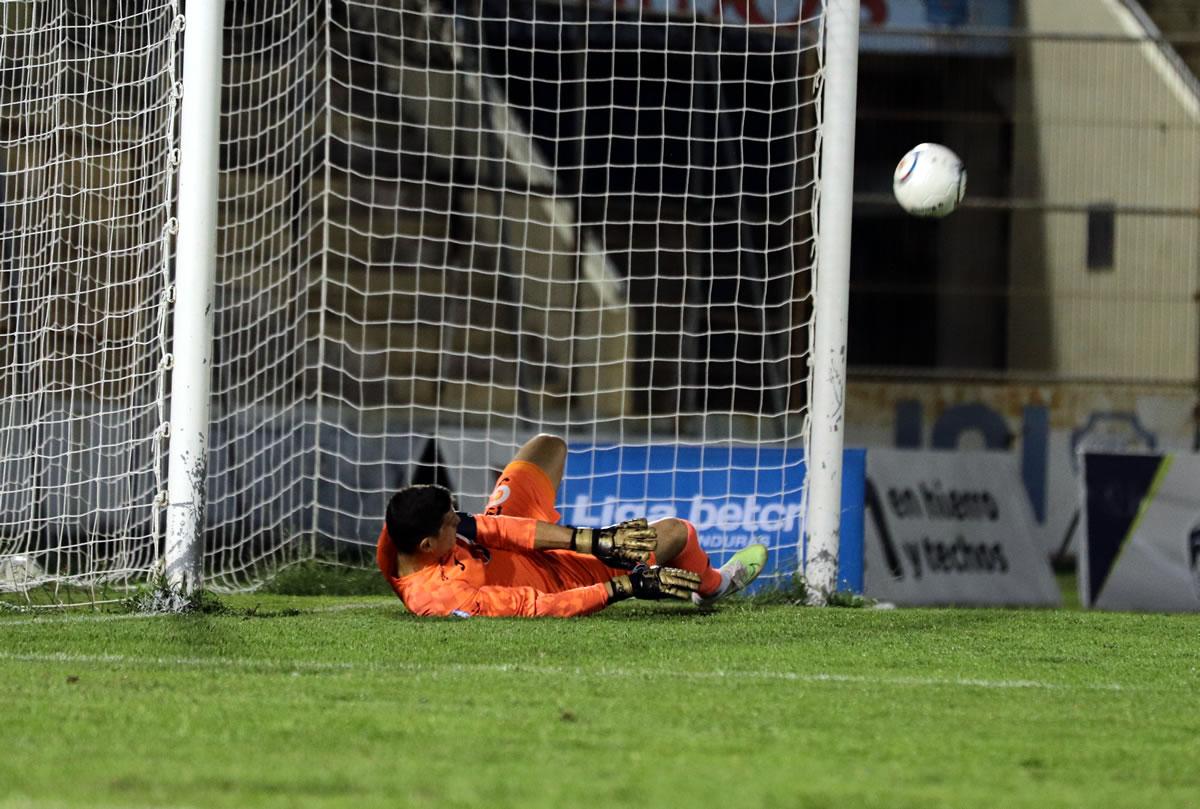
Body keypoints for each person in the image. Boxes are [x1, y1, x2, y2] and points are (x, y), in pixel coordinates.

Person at [376, 434, 767, 617]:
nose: (457, 521)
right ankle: (714, 586)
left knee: (546, 447)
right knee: (680, 533)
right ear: (428, 545)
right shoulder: (443, 599)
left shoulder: (398, 532)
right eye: (449, 522)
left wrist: (595, 540)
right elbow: (539, 607)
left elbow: (483, 528)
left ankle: (594, 543)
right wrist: (624, 585)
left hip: (516, 537)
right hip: (557, 580)